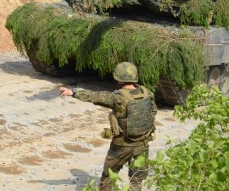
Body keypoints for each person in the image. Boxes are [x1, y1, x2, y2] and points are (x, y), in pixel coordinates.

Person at [59, 62, 156, 191]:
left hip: (122, 145)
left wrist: (74, 92)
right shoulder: (147, 93)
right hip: (143, 144)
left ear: (118, 79)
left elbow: (96, 97)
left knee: (108, 176)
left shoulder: (118, 98)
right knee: (137, 179)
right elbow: (153, 112)